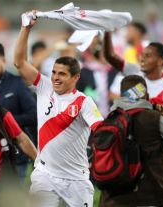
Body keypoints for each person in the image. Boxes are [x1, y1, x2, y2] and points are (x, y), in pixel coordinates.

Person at [13, 12, 103, 207]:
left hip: (76, 179)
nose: (55, 77)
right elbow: (19, 62)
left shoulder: (84, 102)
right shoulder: (44, 86)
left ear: (75, 78)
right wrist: (25, 28)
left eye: (62, 74)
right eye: (53, 72)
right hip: (45, 174)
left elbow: (101, 129)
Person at [99, 75, 163, 207]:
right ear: (146, 96)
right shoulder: (153, 118)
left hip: (112, 197)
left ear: (122, 95)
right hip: (150, 194)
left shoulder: (108, 120)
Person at [0, 42, 37, 183]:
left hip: (15, 155)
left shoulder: (17, 83)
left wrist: (6, 121)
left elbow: (34, 115)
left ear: (4, 61)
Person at [103, 31, 163, 106]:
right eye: (142, 55)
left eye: (147, 56)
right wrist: (107, 31)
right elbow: (110, 56)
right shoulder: (135, 72)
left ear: (160, 61)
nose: (142, 59)